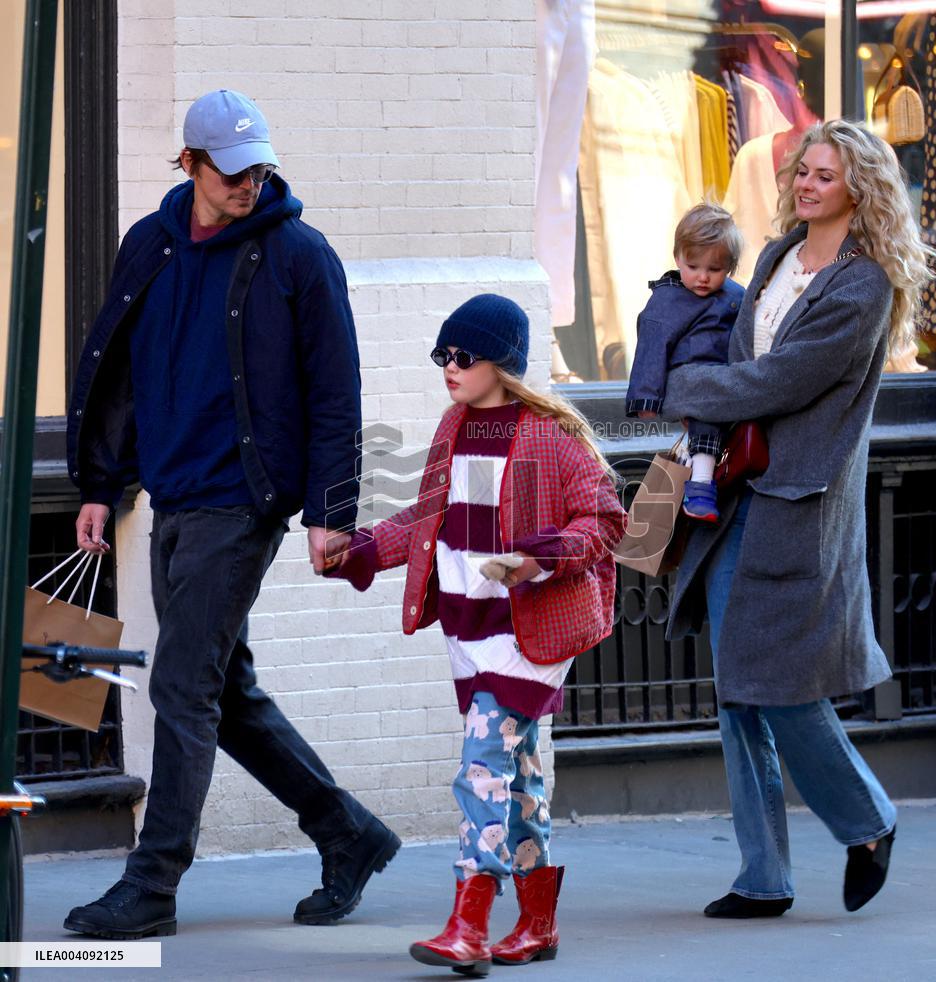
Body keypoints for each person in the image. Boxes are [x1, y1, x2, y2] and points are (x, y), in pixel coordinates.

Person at [63, 89, 399, 939]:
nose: (249, 182)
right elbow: (117, 370)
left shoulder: (297, 256)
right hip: (171, 496)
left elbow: (335, 394)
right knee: (225, 691)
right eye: (231, 169)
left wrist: (333, 511)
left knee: (180, 685)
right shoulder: (151, 245)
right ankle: (347, 833)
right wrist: (99, 484)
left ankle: (152, 884)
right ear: (190, 164)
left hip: (241, 503)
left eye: (259, 167)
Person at [661, 119, 936, 918]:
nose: (807, 183)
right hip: (734, 488)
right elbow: (747, 356)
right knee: (736, 691)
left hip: (798, 503)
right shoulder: (780, 255)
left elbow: (781, 379)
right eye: (804, 170)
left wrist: (683, 388)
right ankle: (762, 874)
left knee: (776, 684)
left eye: (825, 174)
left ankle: (868, 819)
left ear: (860, 187)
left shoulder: (864, 284)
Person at [327, 294, 626, 974]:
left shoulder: (550, 437)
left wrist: (536, 558)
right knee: (517, 778)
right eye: (442, 356)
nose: (449, 368)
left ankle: (470, 923)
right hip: (470, 628)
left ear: (504, 362)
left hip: (531, 631)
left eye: (463, 356)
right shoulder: (454, 428)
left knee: (480, 768)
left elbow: (604, 521)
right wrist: (366, 550)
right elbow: (429, 518)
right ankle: (538, 924)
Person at [624, 202, 746, 523]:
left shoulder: (735, 296)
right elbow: (651, 347)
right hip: (693, 381)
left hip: (729, 381)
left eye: (715, 270)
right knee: (705, 403)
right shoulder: (667, 300)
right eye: (693, 266)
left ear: (730, 268)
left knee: (714, 412)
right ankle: (700, 484)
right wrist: (646, 398)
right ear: (678, 257)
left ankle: (699, 468)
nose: (703, 277)